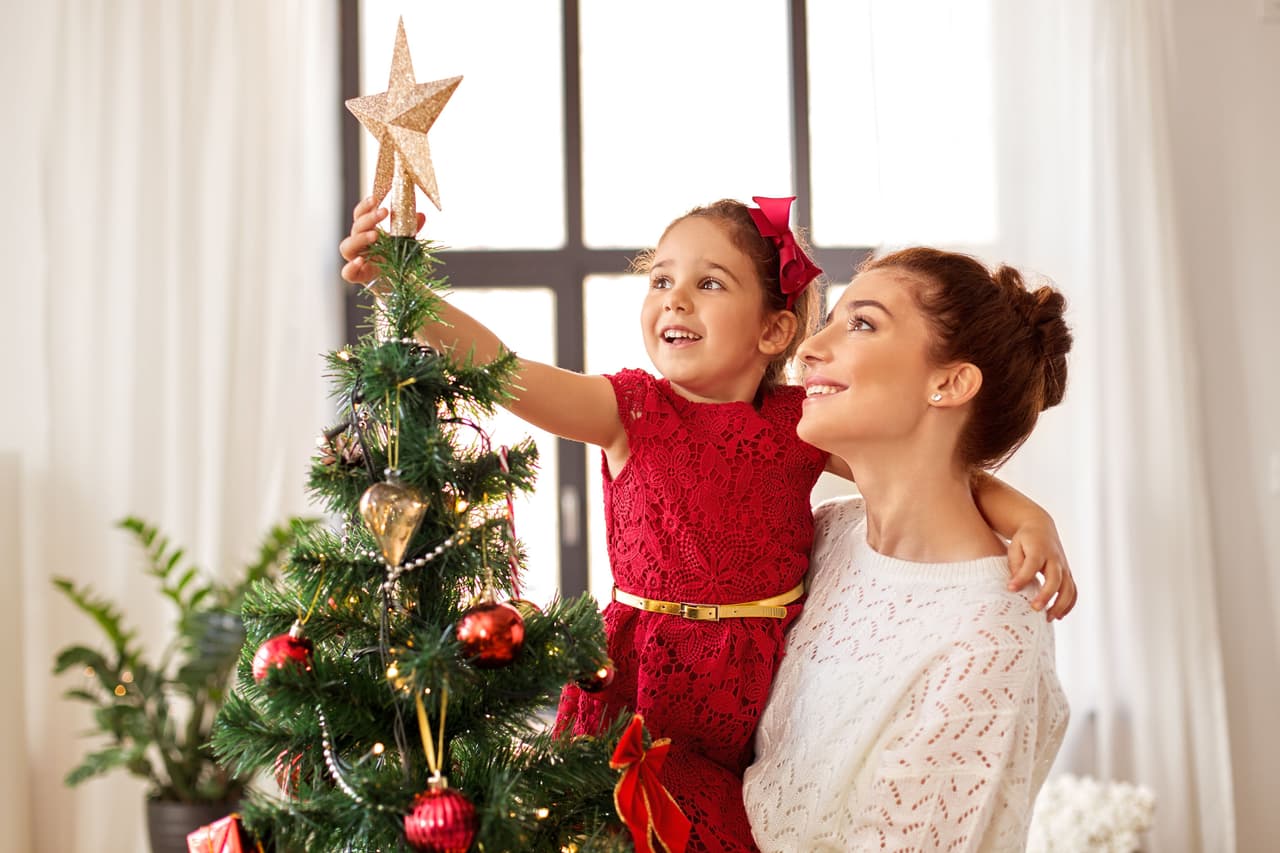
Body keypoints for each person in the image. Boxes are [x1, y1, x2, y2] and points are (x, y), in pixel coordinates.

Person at [340, 200, 1074, 852]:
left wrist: (1029, 515)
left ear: (773, 328)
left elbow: (956, 480)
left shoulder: (800, 432)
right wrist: (404, 290)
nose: (675, 299)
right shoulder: (647, 418)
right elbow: (507, 370)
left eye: (709, 282)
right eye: (660, 279)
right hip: (640, 682)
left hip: (731, 715)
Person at [743, 247, 1074, 852]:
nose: (808, 349)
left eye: (862, 323)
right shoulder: (826, 535)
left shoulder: (992, 635)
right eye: (830, 321)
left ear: (948, 382)